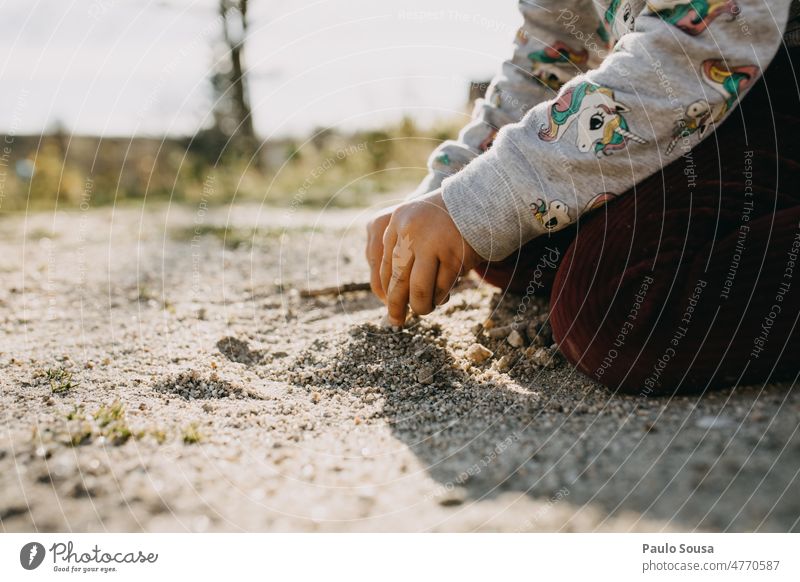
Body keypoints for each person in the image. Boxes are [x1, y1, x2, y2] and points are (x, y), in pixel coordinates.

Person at [365, 0, 800, 395]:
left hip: (763, 77)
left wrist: (476, 206)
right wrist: (445, 193)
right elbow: (551, 55)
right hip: (683, 99)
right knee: (505, 251)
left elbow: (691, 50)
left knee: (619, 312)